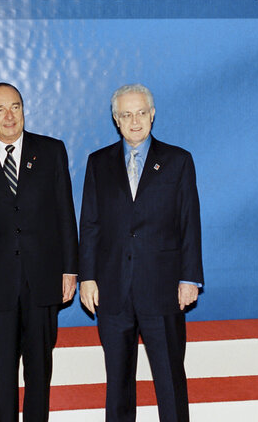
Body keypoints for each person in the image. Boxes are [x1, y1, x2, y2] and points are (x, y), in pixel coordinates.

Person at [79, 84, 203, 422]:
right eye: (126, 114)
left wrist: (189, 278)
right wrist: (87, 277)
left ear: (152, 115)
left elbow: (189, 222)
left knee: (169, 380)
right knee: (118, 382)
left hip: (162, 288)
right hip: (112, 288)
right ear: (116, 120)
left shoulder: (177, 161)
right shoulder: (98, 163)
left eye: (141, 113)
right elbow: (90, 223)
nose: (135, 121)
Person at [0, 83, 78, 422]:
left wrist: (70, 268)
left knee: (40, 368)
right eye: (0, 109)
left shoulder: (51, 151)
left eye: (15, 106)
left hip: (42, 280)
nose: (10, 116)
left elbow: (65, 214)